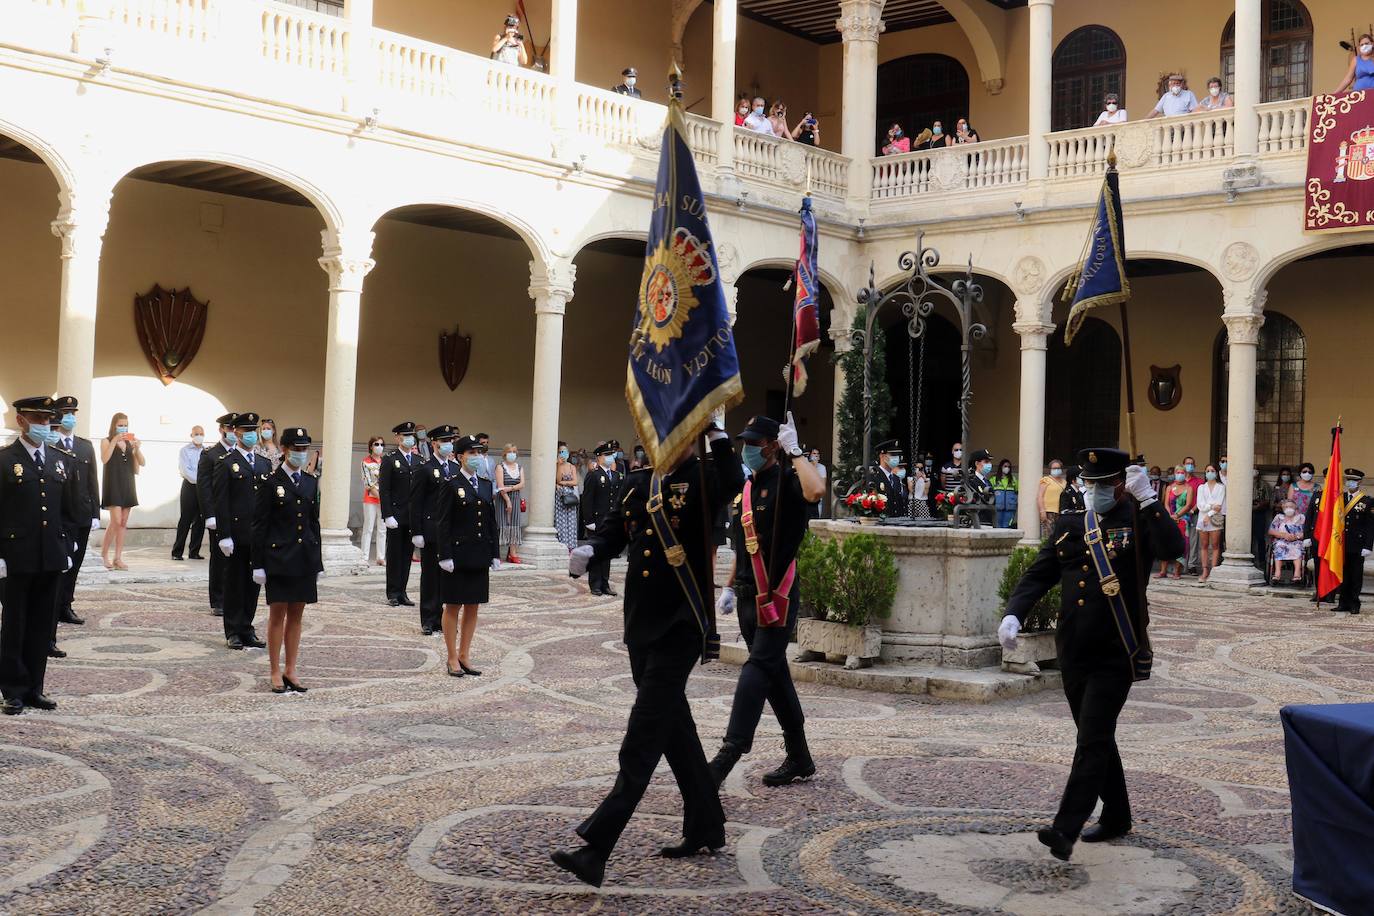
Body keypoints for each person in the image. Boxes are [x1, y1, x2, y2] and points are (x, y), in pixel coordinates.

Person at [555, 422, 743, 887]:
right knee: (675, 730)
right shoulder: (639, 482)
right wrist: (591, 549)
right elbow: (618, 533)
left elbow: (733, 484)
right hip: (641, 622)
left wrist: (717, 434)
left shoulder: (703, 476)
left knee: (642, 736)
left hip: (681, 622)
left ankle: (597, 846)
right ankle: (706, 824)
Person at [1000, 447, 1185, 862]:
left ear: (1121, 485)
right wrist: (1013, 614)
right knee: (1095, 735)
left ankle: (1065, 829)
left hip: (1116, 648)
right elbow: (1039, 574)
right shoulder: (1071, 524)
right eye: (1089, 483)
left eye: (1102, 484)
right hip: (1074, 650)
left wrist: (1151, 500)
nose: (1094, 490)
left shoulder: (1137, 520)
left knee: (1093, 739)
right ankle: (1117, 815)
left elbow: (1173, 549)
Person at [710, 413, 824, 786]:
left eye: (755, 444)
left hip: (777, 597)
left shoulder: (789, 481)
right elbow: (746, 549)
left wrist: (797, 451)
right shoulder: (747, 488)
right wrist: (728, 586)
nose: (748, 449)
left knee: (757, 668)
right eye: (746, 443)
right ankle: (800, 756)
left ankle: (729, 752)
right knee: (775, 676)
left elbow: (816, 492)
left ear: (773, 446)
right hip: (746, 596)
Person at [0, 397, 75, 716]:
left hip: (50, 557)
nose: (44, 426)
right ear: (21, 421)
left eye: (48, 420)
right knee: (15, 624)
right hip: (16, 556)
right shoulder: (5, 460)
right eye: (37, 420)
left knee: (41, 625)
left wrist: (68, 546)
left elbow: (69, 510)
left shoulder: (60, 460)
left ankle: (35, 688)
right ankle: (13, 690)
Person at [251, 428, 322, 693]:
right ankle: (274, 671)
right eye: (296, 448)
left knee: (297, 617)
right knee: (277, 616)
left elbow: (313, 523)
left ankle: (291, 669)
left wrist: (318, 561)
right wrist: (257, 563)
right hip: (278, 558)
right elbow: (259, 525)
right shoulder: (270, 482)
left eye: (304, 449)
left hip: (303, 558)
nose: (301, 453)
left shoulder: (310, 482)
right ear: (284, 449)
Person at [434, 436, 499, 676]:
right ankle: (452, 657)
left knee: (473, 606)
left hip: (479, 554)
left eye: (479, 452)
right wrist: (445, 555)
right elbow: (443, 523)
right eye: (471, 452)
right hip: (458, 555)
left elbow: (490, 521)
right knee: (453, 606)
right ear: (459, 456)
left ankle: (465, 654)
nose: (476, 457)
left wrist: (494, 552)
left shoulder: (485, 483)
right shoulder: (450, 483)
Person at [212, 412, 269, 650]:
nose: (251, 435)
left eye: (253, 431)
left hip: (257, 535)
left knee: (253, 585)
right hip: (236, 534)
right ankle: (233, 630)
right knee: (235, 584)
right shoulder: (226, 462)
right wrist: (224, 535)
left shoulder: (264, 463)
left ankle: (247, 627)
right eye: (246, 431)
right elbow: (221, 501)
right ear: (235, 433)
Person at [51, 396, 99, 645]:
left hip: (81, 514)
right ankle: (53, 607)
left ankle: (66, 606)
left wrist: (95, 514)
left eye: (73, 413)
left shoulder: (84, 446)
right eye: (65, 413)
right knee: (61, 564)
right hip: (59, 518)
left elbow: (92, 481)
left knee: (75, 565)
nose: (70, 418)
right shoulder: (51, 444)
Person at [411, 425, 460, 637]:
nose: (448, 444)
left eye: (450, 440)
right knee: (430, 576)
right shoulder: (425, 468)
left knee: (447, 576)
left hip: (449, 532)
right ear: (434, 444)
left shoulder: (456, 469)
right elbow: (416, 502)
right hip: (430, 530)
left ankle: (443, 618)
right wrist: (417, 531)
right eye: (444, 441)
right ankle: (429, 618)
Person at [1305, 466, 1374, 613]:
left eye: (1353, 481)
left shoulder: (1367, 501)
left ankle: (1354, 603)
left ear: (1359, 482)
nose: (1350, 483)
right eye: (1348, 480)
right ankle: (1343, 603)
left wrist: (1368, 545)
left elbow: (1370, 526)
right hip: (1340, 543)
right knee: (1343, 574)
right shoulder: (1339, 499)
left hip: (1357, 544)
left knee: (1355, 575)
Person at [199, 413, 238, 618]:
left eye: (235, 429)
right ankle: (218, 599)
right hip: (219, 515)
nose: (232, 432)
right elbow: (204, 488)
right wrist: (210, 515)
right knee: (219, 558)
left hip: (239, 515)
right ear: (222, 429)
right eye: (229, 428)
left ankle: (234, 596)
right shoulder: (211, 454)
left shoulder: (240, 455)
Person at [379, 421, 419, 608]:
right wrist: (387, 515)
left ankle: (403, 591)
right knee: (394, 555)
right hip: (396, 515)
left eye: (411, 436)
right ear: (397, 438)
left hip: (412, 516)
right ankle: (393, 592)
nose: (409, 439)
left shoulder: (419, 461)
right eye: (405, 436)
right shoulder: (390, 459)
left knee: (407, 555)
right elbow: (384, 489)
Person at [99, 412, 144, 571]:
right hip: (113, 483)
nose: (123, 427)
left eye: (125, 425)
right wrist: (115, 442)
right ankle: (104, 554)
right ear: (114, 425)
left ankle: (118, 557)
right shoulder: (106, 441)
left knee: (123, 522)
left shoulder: (130, 442)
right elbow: (104, 459)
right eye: (120, 424)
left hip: (128, 483)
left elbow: (142, 464)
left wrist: (137, 449)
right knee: (116, 520)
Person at [580, 443, 622, 595]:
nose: (610, 457)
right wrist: (589, 521)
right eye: (607, 455)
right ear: (599, 457)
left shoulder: (616, 475)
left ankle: (605, 583)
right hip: (597, 521)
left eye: (611, 454)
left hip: (610, 521)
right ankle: (595, 584)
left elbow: (617, 500)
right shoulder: (593, 475)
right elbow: (587, 499)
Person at [172, 425, 205, 562]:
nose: (199, 436)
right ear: (191, 435)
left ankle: (194, 551)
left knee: (201, 520)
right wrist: (201, 480)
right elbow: (185, 470)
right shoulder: (185, 451)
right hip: (190, 487)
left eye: (201, 433)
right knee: (185, 519)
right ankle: (177, 551)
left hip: (203, 488)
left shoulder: (207, 451)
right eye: (196, 433)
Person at [1157, 466, 1192, 579]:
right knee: (1165, 544)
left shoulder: (1189, 488)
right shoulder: (1169, 487)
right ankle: (1163, 571)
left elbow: (1188, 505)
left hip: (1183, 519)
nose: (1180, 474)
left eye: (1182, 472)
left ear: (1185, 474)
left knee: (1181, 545)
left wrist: (1177, 515)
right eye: (1178, 472)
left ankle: (1177, 572)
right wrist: (1170, 516)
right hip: (1169, 519)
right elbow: (1166, 503)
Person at [495, 443, 525, 564]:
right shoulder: (500, 467)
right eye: (509, 452)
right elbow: (501, 486)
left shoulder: (520, 467)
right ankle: (497, 554)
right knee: (502, 524)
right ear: (504, 454)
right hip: (503, 498)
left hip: (516, 497)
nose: (512, 454)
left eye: (514, 451)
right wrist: (507, 500)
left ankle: (512, 553)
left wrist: (511, 488)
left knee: (514, 524)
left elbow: (522, 484)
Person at [1195, 464, 1225, 582]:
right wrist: (1211, 506)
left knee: (1216, 545)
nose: (1210, 472)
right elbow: (1200, 505)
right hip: (1203, 519)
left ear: (1216, 473)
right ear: (1205, 473)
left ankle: (1214, 570)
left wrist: (1209, 514)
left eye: (1212, 470)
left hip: (1215, 519)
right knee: (1204, 545)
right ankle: (1205, 570)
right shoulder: (1201, 487)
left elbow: (1220, 505)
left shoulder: (1221, 487)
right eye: (1208, 470)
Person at [360, 435, 386, 567]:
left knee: (382, 529)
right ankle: (364, 557)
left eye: (381, 444)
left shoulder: (385, 462)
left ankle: (380, 557)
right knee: (368, 527)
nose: (379, 447)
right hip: (370, 499)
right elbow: (368, 483)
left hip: (384, 499)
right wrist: (382, 497)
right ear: (371, 446)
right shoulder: (365, 462)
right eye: (376, 444)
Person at [1268, 499, 1305, 585]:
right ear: (1283, 508)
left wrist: (1296, 536)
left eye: (1291, 506)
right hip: (1281, 540)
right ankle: (1277, 574)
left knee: (1297, 547)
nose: (1289, 508)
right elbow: (1271, 531)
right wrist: (1283, 535)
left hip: (1296, 541)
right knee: (1279, 546)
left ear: (1295, 507)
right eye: (1286, 507)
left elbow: (1306, 532)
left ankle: (1297, 574)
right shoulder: (1279, 517)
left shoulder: (1301, 517)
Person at [870, 440, 907, 517]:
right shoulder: (874, 476)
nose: (896, 458)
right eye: (893, 455)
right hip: (881, 522)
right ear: (882, 456)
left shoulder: (896, 478)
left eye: (897, 455)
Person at [555, 441, 579, 549]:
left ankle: (571, 546)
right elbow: (558, 479)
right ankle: (563, 544)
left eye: (564, 451)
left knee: (571, 521)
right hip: (560, 497)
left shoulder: (572, 466)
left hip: (570, 496)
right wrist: (559, 465)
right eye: (560, 452)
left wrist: (564, 483)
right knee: (561, 521)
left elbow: (575, 482)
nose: (562, 453)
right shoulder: (556, 465)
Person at [1039, 459, 1066, 538]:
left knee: (1059, 536)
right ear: (1050, 469)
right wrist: (1042, 511)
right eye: (1054, 468)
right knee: (1048, 536)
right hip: (1049, 512)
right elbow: (1040, 496)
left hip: (1061, 512)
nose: (1056, 470)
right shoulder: (1046, 480)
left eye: (1058, 468)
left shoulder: (1064, 482)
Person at [991, 458, 1018, 528]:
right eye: (1005, 466)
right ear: (1001, 467)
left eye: (1009, 467)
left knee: (1007, 527)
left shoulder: (1013, 480)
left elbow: (1018, 492)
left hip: (1010, 508)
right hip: (997, 508)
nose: (1007, 468)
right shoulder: (994, 479)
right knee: (997, 527)